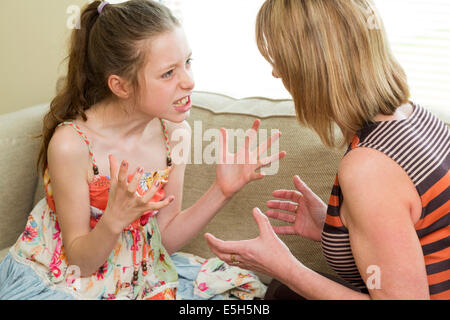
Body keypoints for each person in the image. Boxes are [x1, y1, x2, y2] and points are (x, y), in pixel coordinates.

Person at [0, 0, 285, 300]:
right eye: (168, 73)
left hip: (136, 275)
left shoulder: (174, 133)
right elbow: (80, 262)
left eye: (188, 62)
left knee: (247, 295)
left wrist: (221, 191)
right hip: (65, 280)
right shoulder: (71, 144)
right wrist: (113, 221)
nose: (189, 82)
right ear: (121, 86)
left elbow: (163, 243)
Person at [205, 0, 449, 300]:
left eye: (280, 59)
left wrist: (285, 268)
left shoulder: (369, 168)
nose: (277, 74)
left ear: (310, 66)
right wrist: (332, 227)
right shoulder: (414, 116)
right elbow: (415, 241)